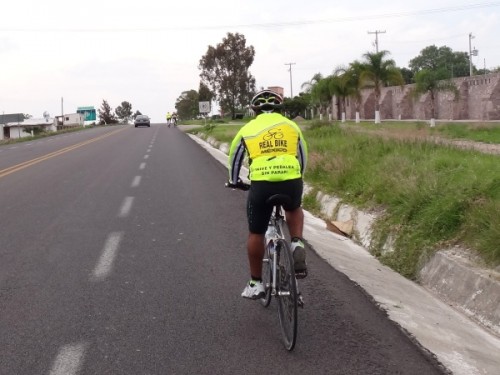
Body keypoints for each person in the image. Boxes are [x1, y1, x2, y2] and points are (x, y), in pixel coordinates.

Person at [227, 89, 308, 299]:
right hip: (291, 179)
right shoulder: (292, 126)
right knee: (294, 208)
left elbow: (235, 159)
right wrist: (298, 177)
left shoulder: (248, 128)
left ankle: (256, 283)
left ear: (255, 110)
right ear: (280, 109)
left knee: (256, 232)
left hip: (262, 183)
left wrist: (234, 181)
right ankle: (297, 241)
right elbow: (302, 157)